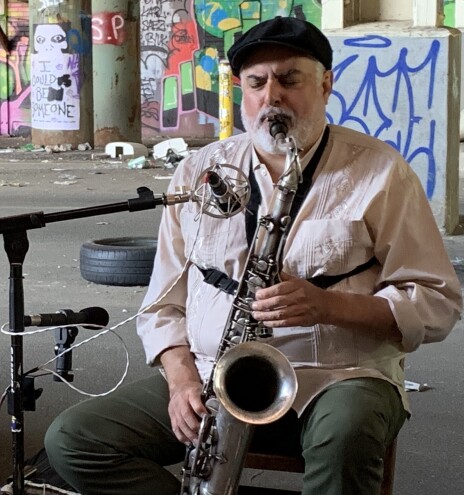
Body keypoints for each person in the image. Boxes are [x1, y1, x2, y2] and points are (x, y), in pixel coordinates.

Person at [44, 16, 462, 495]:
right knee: (76, 440)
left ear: (326, 84)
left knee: (346, 434)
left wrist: (328, 306)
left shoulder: (382, 172)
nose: (273, 96)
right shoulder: (200, 171)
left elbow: (436, 302)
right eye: (257, 83)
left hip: (339, 378)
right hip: (211, 373)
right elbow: (162, 303)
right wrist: (181, 380)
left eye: (290, 79)